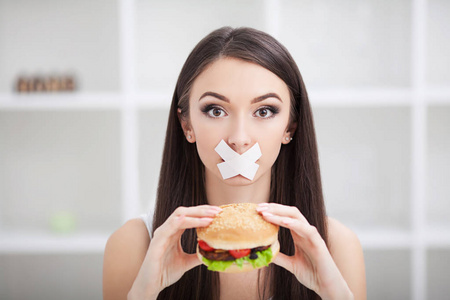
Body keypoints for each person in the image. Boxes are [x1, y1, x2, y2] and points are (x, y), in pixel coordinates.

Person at [103, 26, 366, 300]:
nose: (239, 139)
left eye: (264, 111)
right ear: (186, 125)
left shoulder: (336, 246)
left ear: (290, 127)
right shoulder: (133, 246)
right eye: (216, 111)